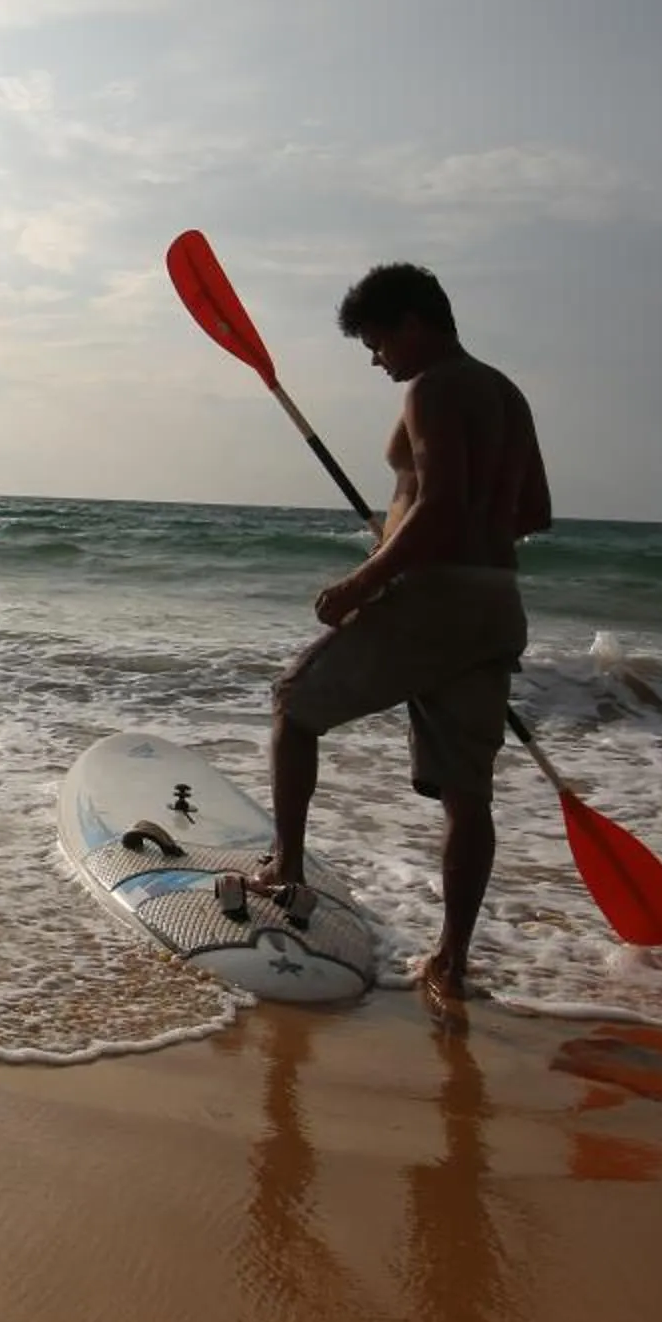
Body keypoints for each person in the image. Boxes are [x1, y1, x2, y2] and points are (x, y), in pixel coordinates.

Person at [249, 263, 550, 1020]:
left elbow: (440, 504)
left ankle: (286, 868)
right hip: (494, 603)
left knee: (294, 703)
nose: (378, 360)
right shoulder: (506, 392)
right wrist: (427, 529)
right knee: (467, 794)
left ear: (414, 322)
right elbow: (534, 511)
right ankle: (451, 960)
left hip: (435, 602)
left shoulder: (434, 387)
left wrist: (367, 576)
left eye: (378, 342)